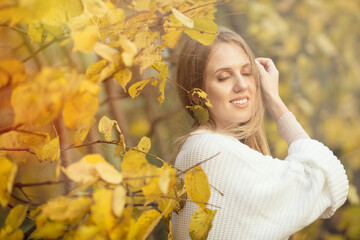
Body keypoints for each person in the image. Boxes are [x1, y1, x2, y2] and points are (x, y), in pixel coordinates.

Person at [172, 27, 349, 240]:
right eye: (224, 77)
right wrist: (274, 100)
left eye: (247, 73)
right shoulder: (209, 151)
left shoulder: (207, 147)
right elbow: (325, 179)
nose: (242, 84)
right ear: (196, 94)